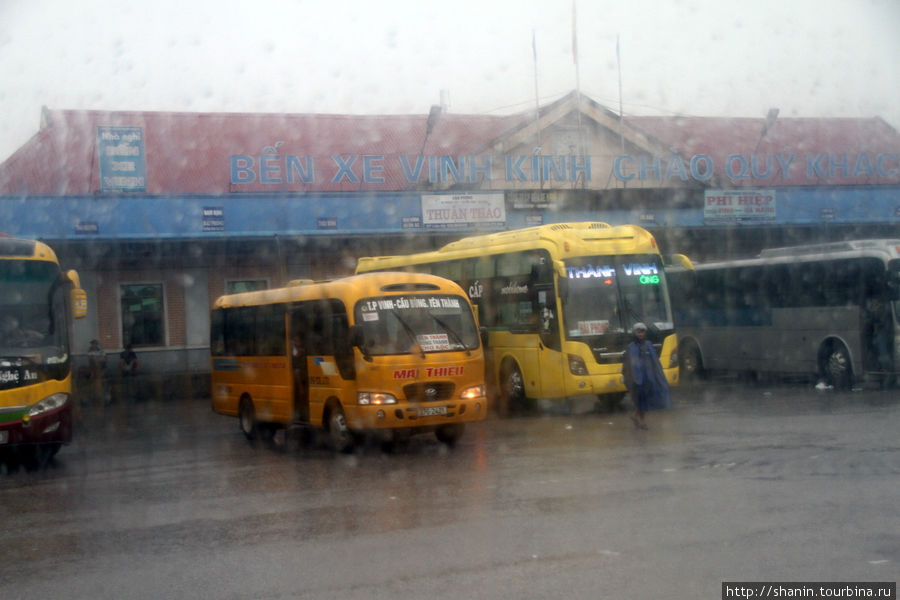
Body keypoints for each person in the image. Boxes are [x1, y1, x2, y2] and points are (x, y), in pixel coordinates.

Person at [624, 322, 671, 430]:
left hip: (648, 378)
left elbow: (655, 361)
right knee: (641, 400)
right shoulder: (631, 347)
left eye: (642, 332)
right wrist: (633, 379)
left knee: (644, 400)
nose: (640, 334)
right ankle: (642, 422)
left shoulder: (648, 344)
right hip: (637, 380)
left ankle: (635, 416)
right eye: (638, 332)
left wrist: (657, 375)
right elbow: (629, 365)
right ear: (635, 333)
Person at [87, 339, 109, 405]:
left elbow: (105, 358)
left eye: (95, 344)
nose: (93, 345)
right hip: (93, 368)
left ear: (97, 344)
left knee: (103, 381)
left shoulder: (101, 350)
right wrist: (99, 359)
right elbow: (91, 358)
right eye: (92, 344)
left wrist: (98, 359)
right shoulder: (89, 351)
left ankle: (104, 397)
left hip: (102, 367)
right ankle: (94, 397)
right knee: (93, 380)